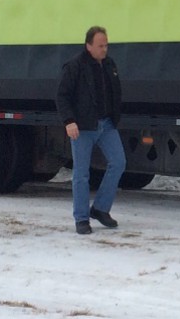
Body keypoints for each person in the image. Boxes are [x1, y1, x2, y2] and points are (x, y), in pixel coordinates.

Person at [56, 26, 126, 235]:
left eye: (106, 45)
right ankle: (81, 218)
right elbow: (62, 96)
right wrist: (69, 121)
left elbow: (116, 92)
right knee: (81, 174)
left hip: (106, 125)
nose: (104, 49)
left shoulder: (109, 65)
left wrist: (115, 117)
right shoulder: (75, 66)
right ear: (88, 46)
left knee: (119, 162)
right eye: (100, 46)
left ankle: (100, 209)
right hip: (83, 127)